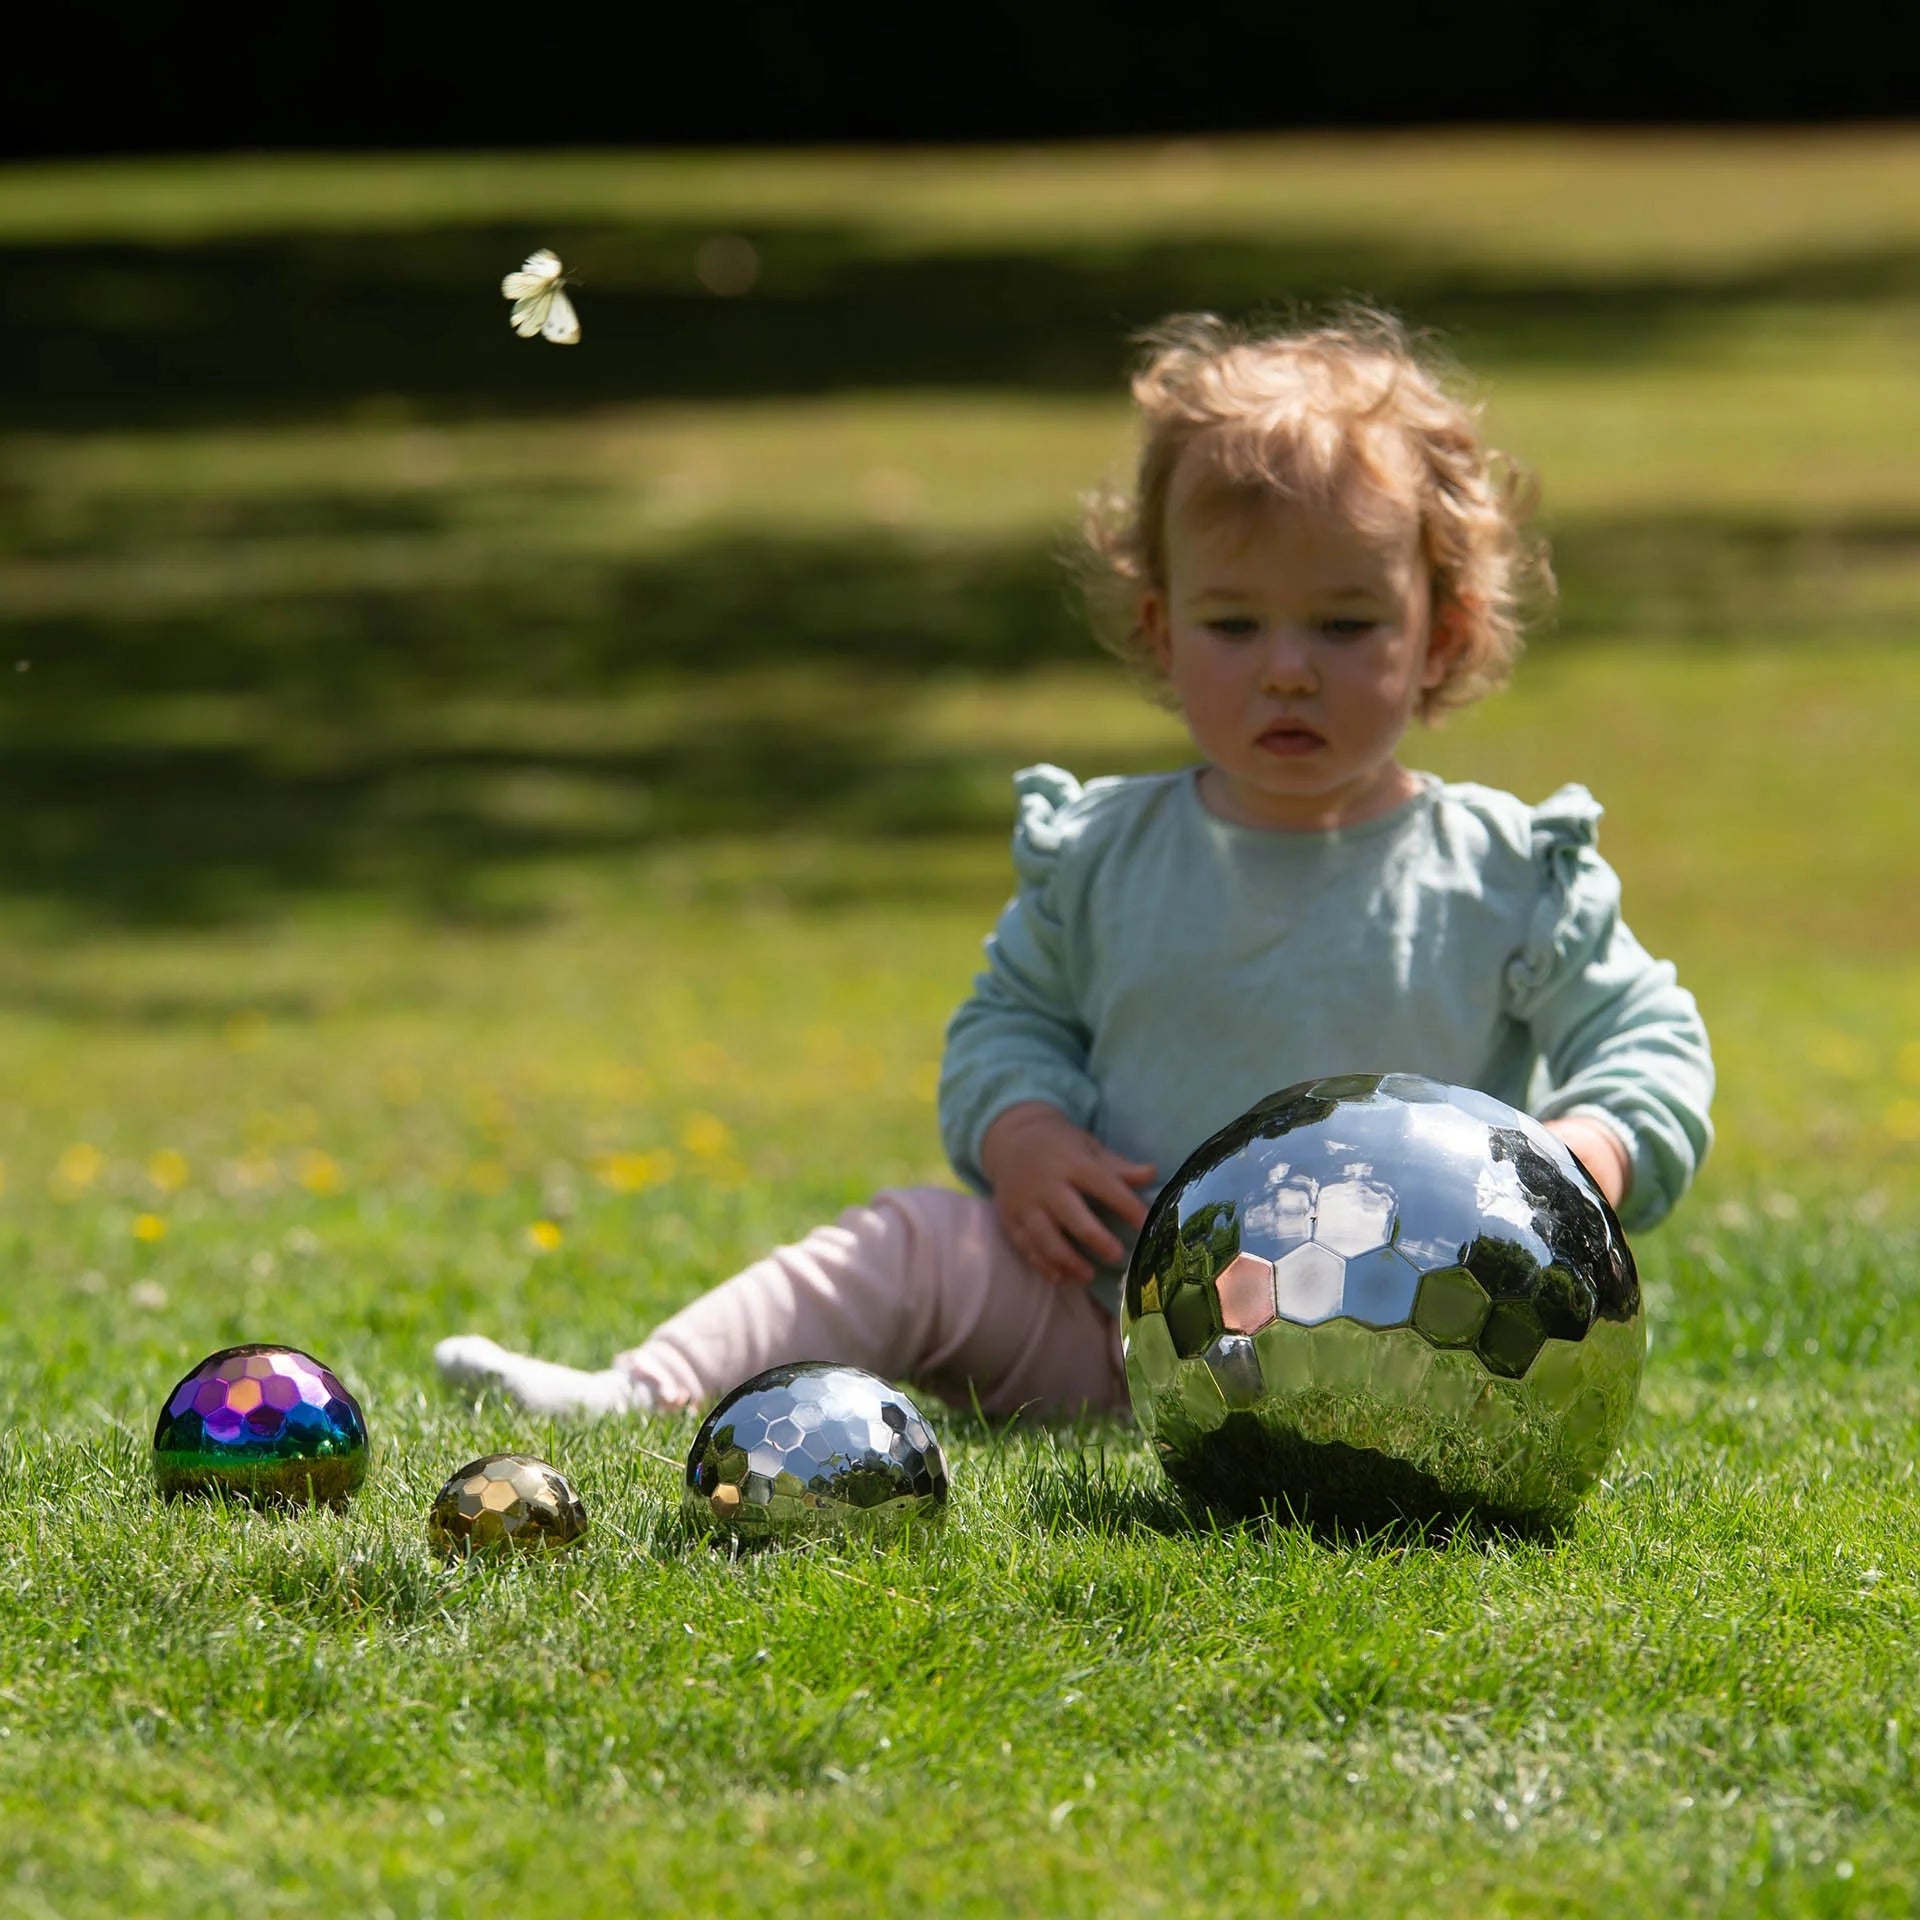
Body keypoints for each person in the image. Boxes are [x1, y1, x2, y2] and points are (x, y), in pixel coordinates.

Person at [436, 307, 1714, 1421]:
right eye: (1233, 622)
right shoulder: (1104, 853)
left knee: (1386, 1366)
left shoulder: (1505, 872)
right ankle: (639, 1392)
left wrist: (1583, 1155)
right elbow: (1007, 1024)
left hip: (1399, 1352)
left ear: (1446, 633)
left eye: (1344, 622)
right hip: (1103, 1325)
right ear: (1161, 632)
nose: (1285, 666)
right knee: (908, 1243)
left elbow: (1650, 1039)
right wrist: (1024, 1132)